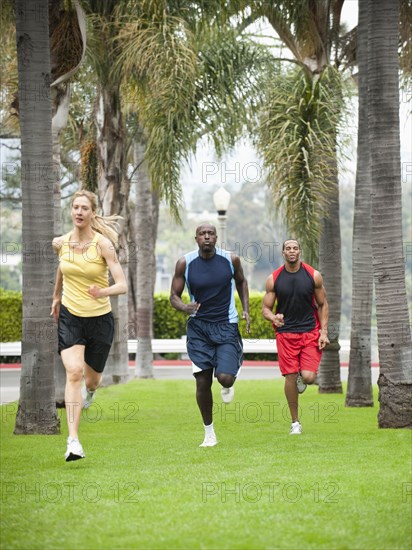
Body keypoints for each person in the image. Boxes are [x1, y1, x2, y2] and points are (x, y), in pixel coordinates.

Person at [51, 190, 127, 461]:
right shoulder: (61, 243)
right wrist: (57, 296)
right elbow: (63, 267)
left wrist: (101, 292)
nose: (79, 212)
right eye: (75, 207)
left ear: (92, 213)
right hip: (71, 317)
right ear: (71, 211)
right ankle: (73, 442)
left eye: (84, 208)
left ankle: (91, 391)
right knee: (73, 372)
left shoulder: (102, 244)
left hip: (99, 320)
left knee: (92, 379)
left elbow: (122, 284)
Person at [170, 223, 250, 447]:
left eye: (210, 234)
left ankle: (231, 372)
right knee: (202, 381)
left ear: (216, 237)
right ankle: (209, 433)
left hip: (226, 324)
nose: (206, 237)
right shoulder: (185, 263)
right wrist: (185, 307)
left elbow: (242, 282)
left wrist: (245, 308)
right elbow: (173, 296)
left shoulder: (230, 260)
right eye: (202, 234)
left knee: (225, 377)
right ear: (196, 239)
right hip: (198, 328)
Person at [262, 239, 329, 435]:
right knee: (289, 376)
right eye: (288, 248)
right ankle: (295, 423)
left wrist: (323, 331)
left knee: (308, 378)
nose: (292, 251)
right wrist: (274, 317)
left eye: (295, 248)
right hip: (286, 333)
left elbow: (323, 304)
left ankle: (302, 374)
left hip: (309, 332)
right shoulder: (273, 279)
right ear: (283, 253)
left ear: (300, 251)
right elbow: (265, 308)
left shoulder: (313, 275)